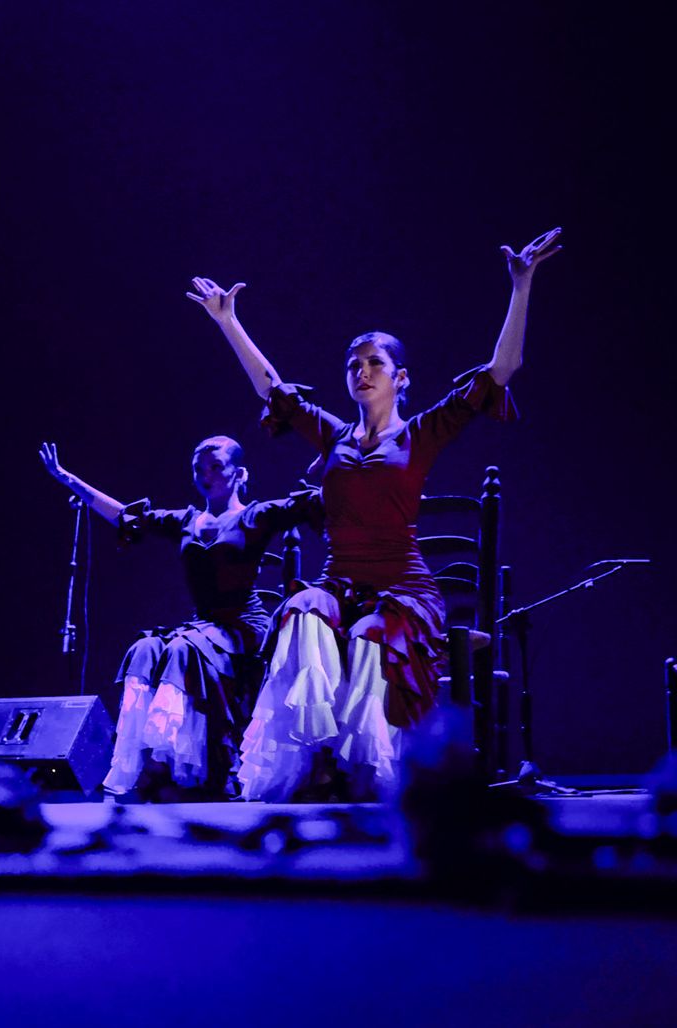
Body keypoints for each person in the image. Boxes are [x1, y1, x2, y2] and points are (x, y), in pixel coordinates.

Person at [189, 227, 561, 800]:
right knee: (303, 610)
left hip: (402, 590)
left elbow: (500, 372)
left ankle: (362, 768)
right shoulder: (333, 437)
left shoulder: (422, 434)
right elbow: (274, 391)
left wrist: (521, 286)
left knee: (368, 634)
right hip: (341, 583)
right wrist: (226, 321)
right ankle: (314, 757)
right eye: (353, 365)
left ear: (399, 377)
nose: (361, 372)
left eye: (374, 363)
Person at [40, 439, 316, 798]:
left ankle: (211, 764)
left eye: (216, 466)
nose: (206, 475)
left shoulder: (255, 515)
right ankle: (153, 766)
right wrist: (69, 480)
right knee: (146, 648)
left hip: (244, 628)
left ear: (240, 473)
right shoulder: (186, 521)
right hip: (203, 627)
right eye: (199, 468)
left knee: (183, 649)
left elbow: (315, 503)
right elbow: (125, 515)